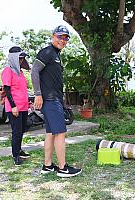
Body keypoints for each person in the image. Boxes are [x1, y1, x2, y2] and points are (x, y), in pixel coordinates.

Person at [31, 25, 82, 177]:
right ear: (53, 36)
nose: (63, 40)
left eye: (65, 38)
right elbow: (34, 71)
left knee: (51, 133)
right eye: (60, 36)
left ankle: (47, 166)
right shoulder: (47, 52)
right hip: (50, 100)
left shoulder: (56, 55)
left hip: (55, 100)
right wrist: (37, 94)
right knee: (60, 133)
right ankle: (63, 168)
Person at [1, 46, 31, 166]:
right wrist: (13, 106)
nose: (22, 60)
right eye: (20, 58)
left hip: (23, 106)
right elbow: (7, 90)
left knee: (23, 129)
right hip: (14, 107)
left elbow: (22, 89)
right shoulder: (8, 71)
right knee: (16, 131)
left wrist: (28, 103)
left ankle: (19, 150)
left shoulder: (20, 72)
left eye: (23, 58)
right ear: (13, 58)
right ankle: (15, 155)